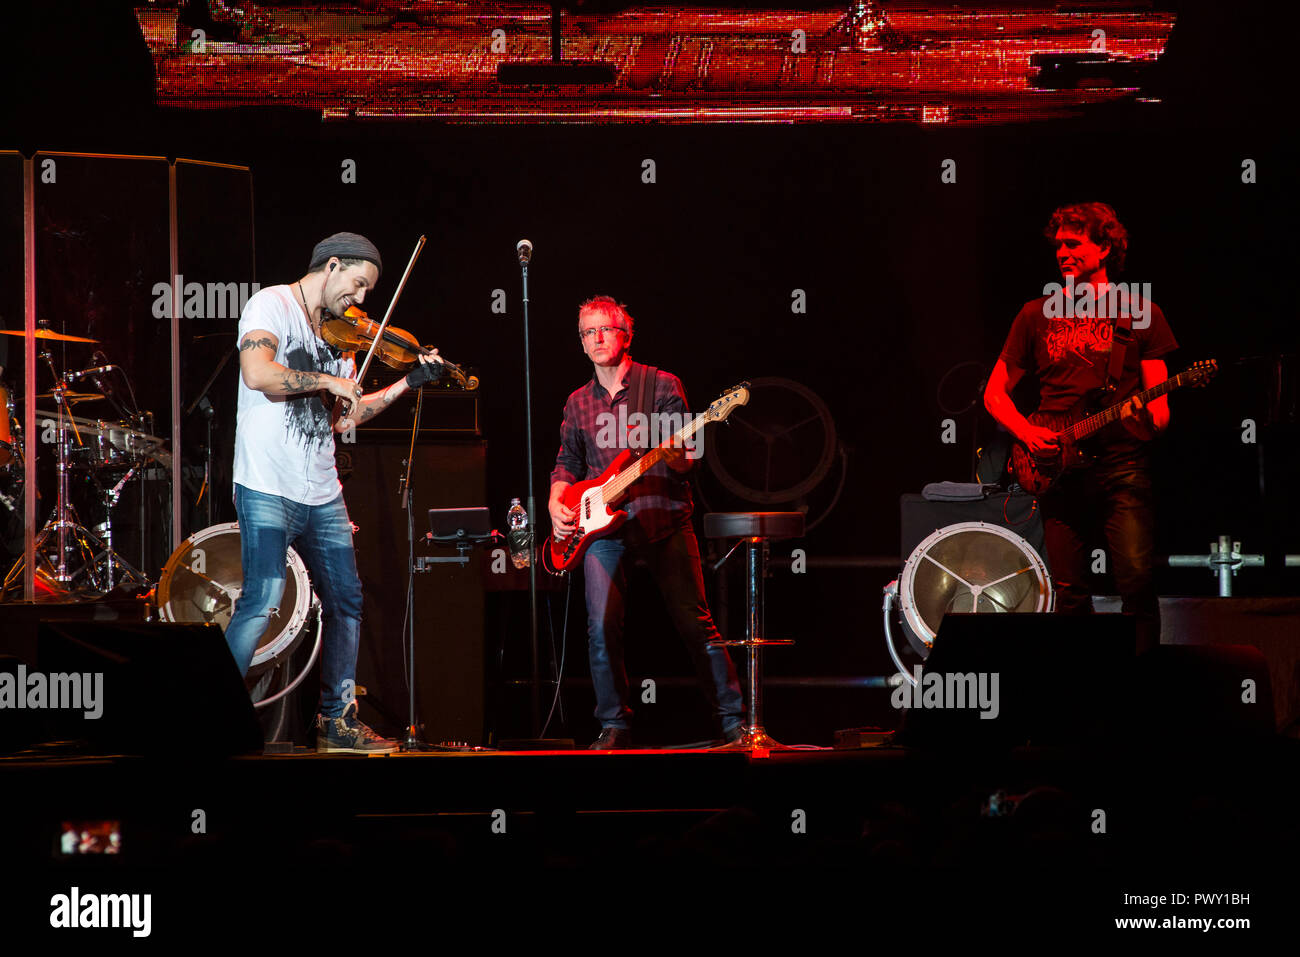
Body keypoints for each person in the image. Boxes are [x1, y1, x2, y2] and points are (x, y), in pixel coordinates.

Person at [229, 231, 443, 753]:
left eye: (369, 290)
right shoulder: (271, 304)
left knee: (347, 600)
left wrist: (408, 383)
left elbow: (350, 415)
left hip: (322, 489)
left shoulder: (341, 336)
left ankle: (336, 721)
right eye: (358, 283)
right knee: (262, 599)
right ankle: (214, 716)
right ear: (331, 266)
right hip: (266, 482)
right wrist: (326, 381)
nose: (362, 300)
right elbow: (258, 374)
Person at [548, 295, 745, 748]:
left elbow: (684, 460)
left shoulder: (660, 386)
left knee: (696, 623)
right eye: (587, 332)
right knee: (599, 627)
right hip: (599, 528)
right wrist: (558, 498)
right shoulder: (577, 403)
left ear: (625, 335)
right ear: (581, 343)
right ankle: (614, 723)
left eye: (605, 330)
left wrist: (677, 453)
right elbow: (566, 463)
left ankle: (733, 723)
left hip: (663, 519)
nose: (596, 339)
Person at [984, 203, 1178, 654]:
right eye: (1059, 246)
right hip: (1056, 466)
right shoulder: (1035, 313)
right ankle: (1085, 695)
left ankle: (1140, 690)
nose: (1063, 253)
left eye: (1074, 244)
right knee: (1069, 592)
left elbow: (1162, 408)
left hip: (1121, 466)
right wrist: (1027, 434)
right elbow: (995, 394)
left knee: (1136, 581)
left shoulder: (1140, 311)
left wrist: (1147, 416)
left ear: (1105, 247)